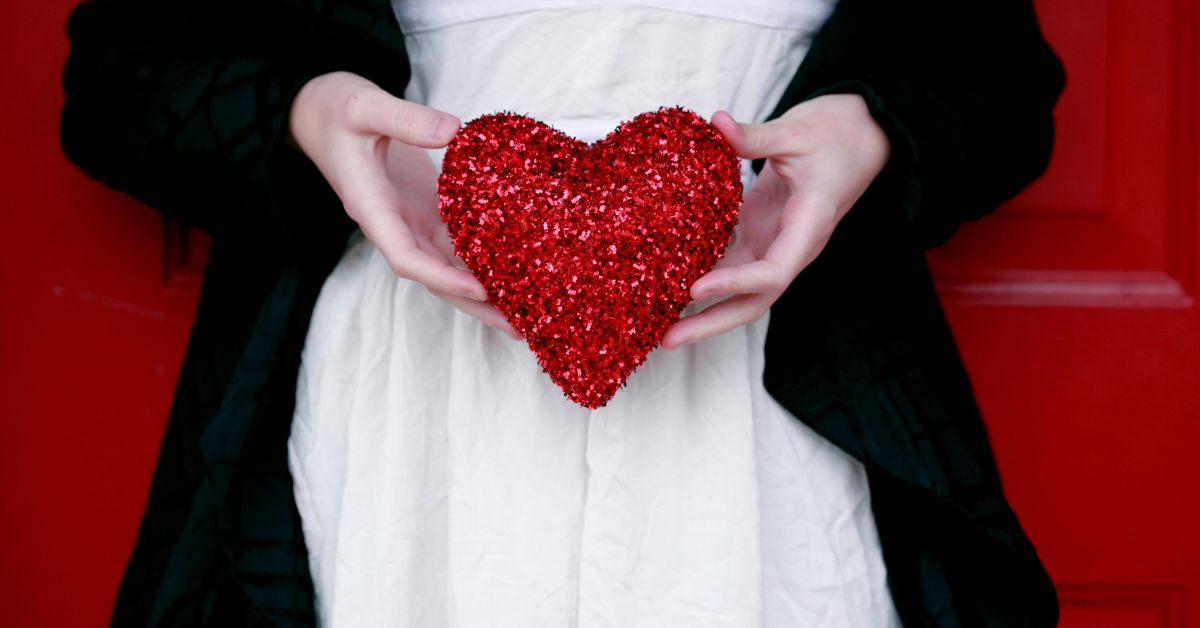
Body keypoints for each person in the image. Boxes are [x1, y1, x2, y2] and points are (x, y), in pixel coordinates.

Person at [59, 0, 1066, 626]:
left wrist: (870, 130)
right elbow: (119, 73)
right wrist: (305, 114)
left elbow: (998, 75)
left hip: (789, 372)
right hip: (400, 378)